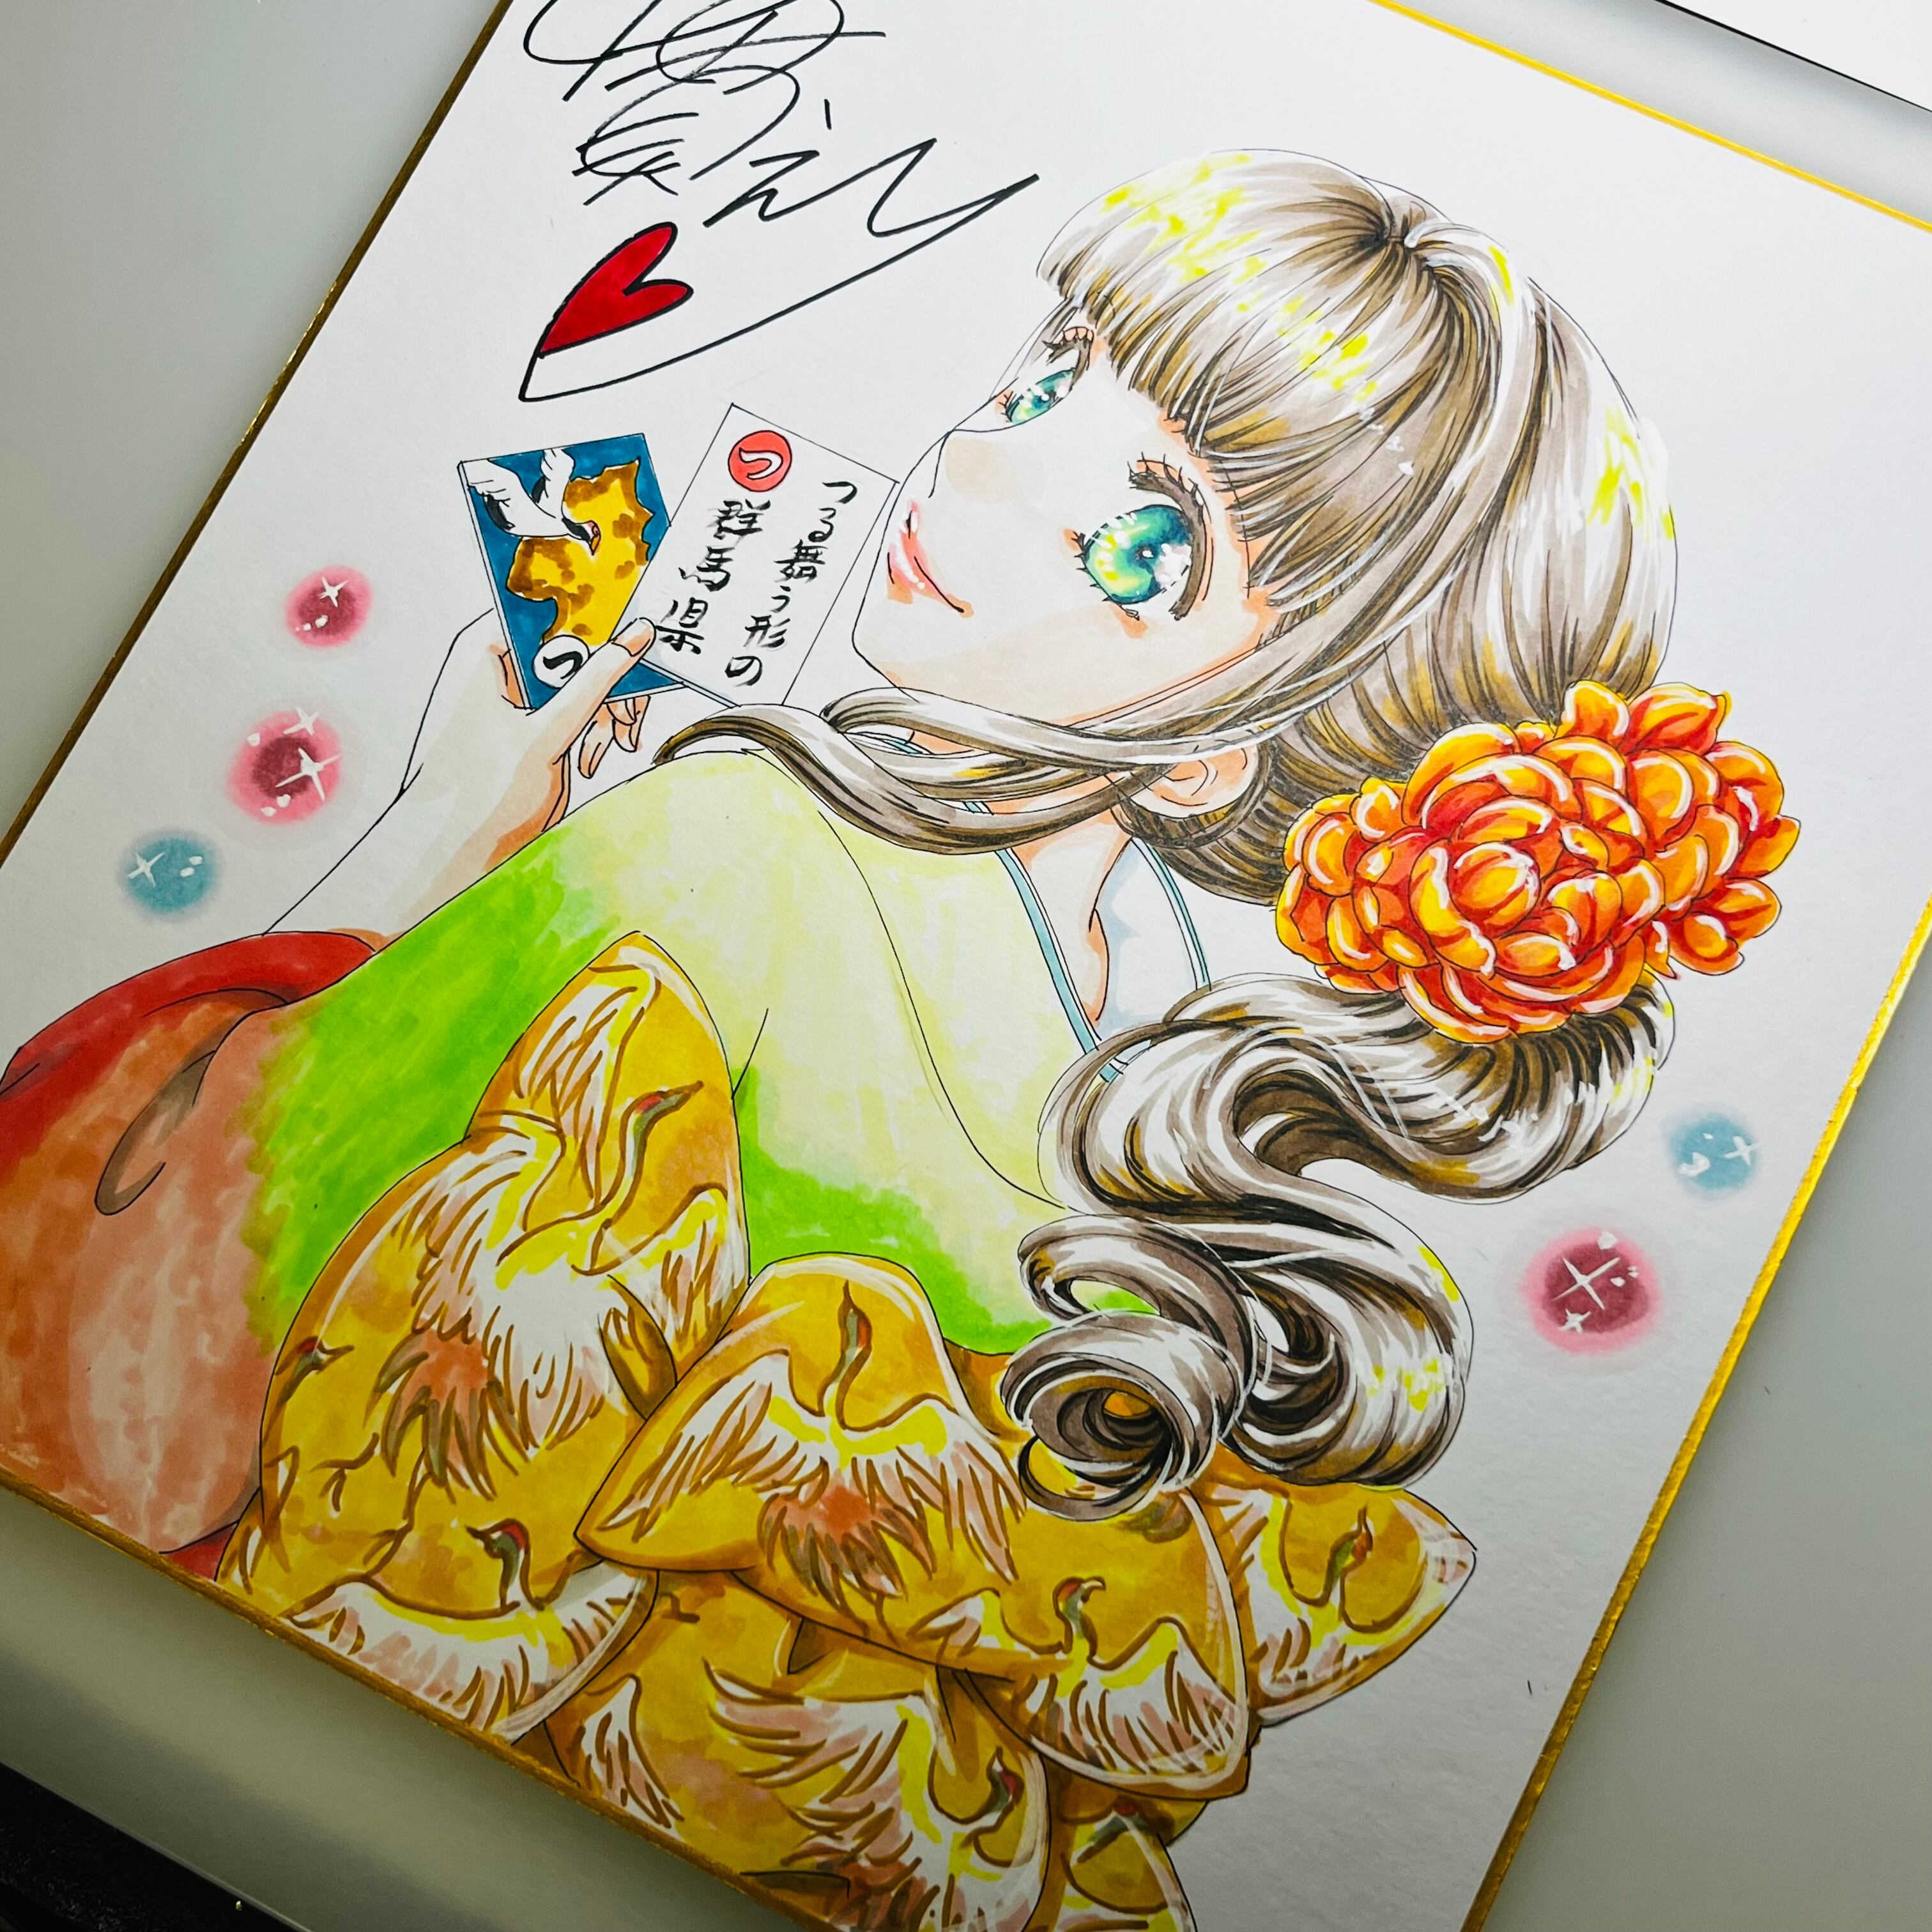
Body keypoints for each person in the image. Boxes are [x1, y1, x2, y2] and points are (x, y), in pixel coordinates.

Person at [0, 153, 1793, 1932]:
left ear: (1213, 758)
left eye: (1143, 543)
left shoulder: (722, 847)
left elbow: (158, 1329)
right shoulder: (1166, 1045)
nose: (984, 466)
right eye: (1047, 378)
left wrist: (442, 826)